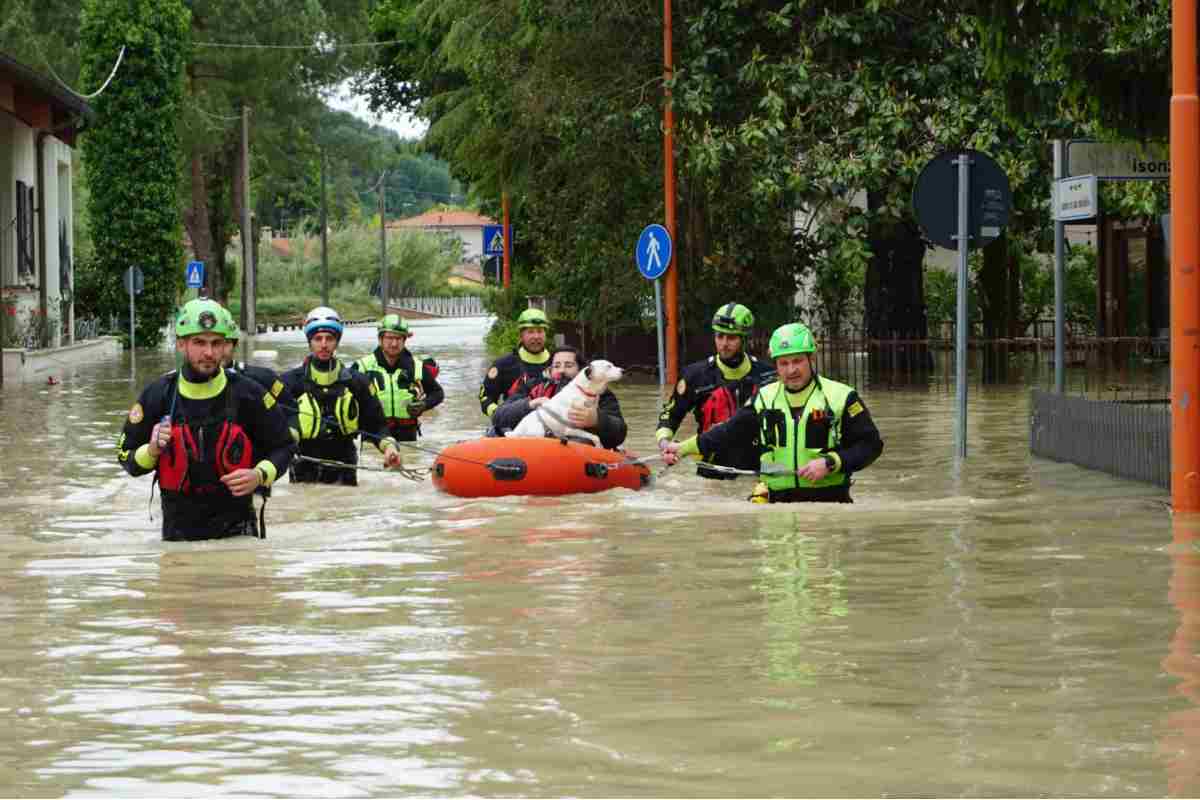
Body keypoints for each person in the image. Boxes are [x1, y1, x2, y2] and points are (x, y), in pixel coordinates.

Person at [116, 298, 296, 540]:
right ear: (181, 344)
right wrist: (151, 450)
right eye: (199, 342)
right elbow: (124, 456)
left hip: (238, 534)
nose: (209, 353)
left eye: (216, 343)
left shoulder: (249, 393)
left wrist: (260, 475)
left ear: (225, 346)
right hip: (177, 536)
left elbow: (284, 446)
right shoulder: (158, 394)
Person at [663, 322, 883, 503]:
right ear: (776, 365)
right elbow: (727, 432)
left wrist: (831, 462)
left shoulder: (841, 396)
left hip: (830, 503)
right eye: (783, 363)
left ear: (811, 358)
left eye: (797, 361)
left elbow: (871, 445)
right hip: (776, 503)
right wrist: (682, 448)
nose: (791, 370)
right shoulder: (764, 398)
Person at [279, 306, 401, 485]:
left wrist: (390, 448)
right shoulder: (290, 382)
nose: (323, 344)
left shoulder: (358, 382)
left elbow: (377, 426)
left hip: (345, 465)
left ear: (337, 341)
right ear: (309, 341)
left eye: (329, 339)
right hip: (303, 467)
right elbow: (273, 426)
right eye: (317, 339)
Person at [656, 302, 775, 478]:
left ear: (744, 339)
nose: (724, 344)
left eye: (731, 338)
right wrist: (665, 444)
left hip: (756, 470)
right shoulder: (694, 375)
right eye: (719, 336)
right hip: (711, 470)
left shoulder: (767, 375)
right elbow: (671, 415)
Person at [491, 345, 627, 449]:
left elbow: (620, 432)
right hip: (529, 447)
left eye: (569, 365)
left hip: (571, 453)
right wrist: (529, 404)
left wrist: (597, 420)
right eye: (556, 366)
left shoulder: (600, 394)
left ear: (582, 370)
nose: (562, 370)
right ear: (550, 370)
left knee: (581, 442)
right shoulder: (534, 386)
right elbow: (498, 416)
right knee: (494, 432)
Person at [351, 314, 444, 442]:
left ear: (404, 340)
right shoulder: (362, 367)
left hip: (407, 437)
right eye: (389, 338)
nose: (394, 344)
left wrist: (424, 405)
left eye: (398, 338)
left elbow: (438, 393)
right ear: (380, 339)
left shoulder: (417, 366)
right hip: (373, 438)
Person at [218, 309, 298, 435]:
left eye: (225, 343)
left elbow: (292, 412)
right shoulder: (177, 385)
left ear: (235, 345)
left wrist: (291, 436)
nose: (218, 351)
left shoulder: (265, 378)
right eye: (212, 343)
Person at [479, 307, 553, 422]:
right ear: (521, 335)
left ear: (545, 334)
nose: (536, 337)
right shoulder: (504, 364)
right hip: (513, 428)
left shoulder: (557, 363)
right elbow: (485, 397)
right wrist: (499, 414)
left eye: (540, 331)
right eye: (530, 332)